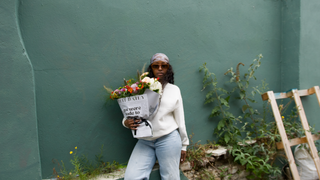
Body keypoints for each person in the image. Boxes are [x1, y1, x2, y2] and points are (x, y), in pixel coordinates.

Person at [122, 53, 189, 180]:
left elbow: (181, 119)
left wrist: (184, 144)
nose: (160, 68)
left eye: (164, 66)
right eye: (155, 66)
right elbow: (130, 111)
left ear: (168, 68)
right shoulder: (140, 88)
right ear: (150, 68)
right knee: (131, 177)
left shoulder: (174, 90)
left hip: (168, 139)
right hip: (144, 141)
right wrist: (126, 122)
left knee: (170, 178)